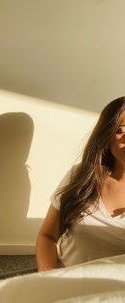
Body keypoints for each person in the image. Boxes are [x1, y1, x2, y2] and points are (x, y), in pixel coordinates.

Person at [36, 96, 125, 271]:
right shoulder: (81, 175)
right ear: (107, 136)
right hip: (64, 280)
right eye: (121, 130)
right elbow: (47, 236)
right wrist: (49, 279)